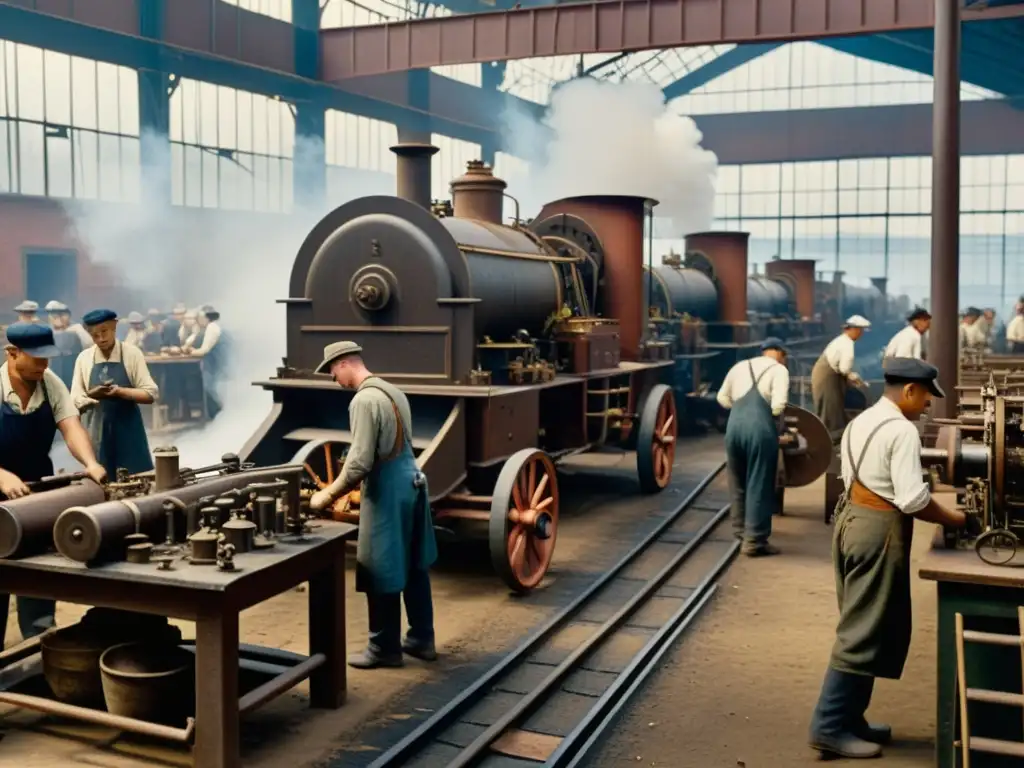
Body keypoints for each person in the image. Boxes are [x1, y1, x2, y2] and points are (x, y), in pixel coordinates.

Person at [808, 358, 972, 759]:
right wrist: (954, 517)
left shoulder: (862, 420)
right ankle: (828, 727)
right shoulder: (901, 430)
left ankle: (851, 719)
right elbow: (913, 499)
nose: (929, 406)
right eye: (927, 398)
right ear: (910, 391)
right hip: (877, 530)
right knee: (863, 630)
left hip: (851, 522)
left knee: (868, 622)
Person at [308, 341, 438, 669]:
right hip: (412, 484)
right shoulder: (395, 392)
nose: (333, 380)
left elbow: (359, 464)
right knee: (412, 564)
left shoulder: (363, 400)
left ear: (342, 364)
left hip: (387, 491)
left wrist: (327, 494)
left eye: (331, 373)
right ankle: (422, 639)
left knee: (379, 566)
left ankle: (384, 648)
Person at [0, 323, 107, 645]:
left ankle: (38, 640)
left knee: (37, 568)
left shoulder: (49, 383)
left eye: (48, 358)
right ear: (12, 353)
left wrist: (91, 464)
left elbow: (71, 427)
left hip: (36, 493)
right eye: (37, 359)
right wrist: (1, 475)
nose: (44, 365)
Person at [716, 338, 790, 557]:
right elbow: (778, 406)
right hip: (759, 429)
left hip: (734, 428)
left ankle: (740, 532)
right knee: (759, 481)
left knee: (737, 481)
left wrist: (740, 410)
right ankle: (755, 541)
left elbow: (722, 397)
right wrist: (768, 421)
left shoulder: (739, 367)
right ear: (779, 354)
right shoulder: (779, 370)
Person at [70, 310, 159, 478]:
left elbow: (151, 393)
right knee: (102, 480)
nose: (101, 339)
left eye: (104, 332)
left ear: (114, 327)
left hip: (128, 428)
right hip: (96, 429)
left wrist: (121, 392)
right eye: (94, 335)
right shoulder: (84, 358)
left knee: (138, 479)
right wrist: (92, 395)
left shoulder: (132, 354)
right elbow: (74, 398)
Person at [812, 315, 871, 436]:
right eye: (860, 330)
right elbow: (844, 369)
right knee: (830, 411)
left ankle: (829, 435)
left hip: (829, 376)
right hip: (827, 378)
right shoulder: (847, 344)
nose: (861, 334)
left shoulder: (841, 340)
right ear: (854, 330)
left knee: (831, 410)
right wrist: (855, 378)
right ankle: (829, 439)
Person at [187, 305, 225, 420]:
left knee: (212, 389)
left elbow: (204, 350)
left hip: (215, 364)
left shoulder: (212, 328)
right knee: (210, 389)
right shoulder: (207, 328)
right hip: (211, 364)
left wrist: (192, 352)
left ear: (207, 318)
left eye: (200, 318)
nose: (198, 320)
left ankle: (218, 417)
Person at [42, 301, 83, 389]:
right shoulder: (46, 331)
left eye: (61, 315)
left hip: (72, 373)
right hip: (52, 373)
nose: (57, 318)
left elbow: (89, 344)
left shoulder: (76, 328)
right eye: (53, 315)